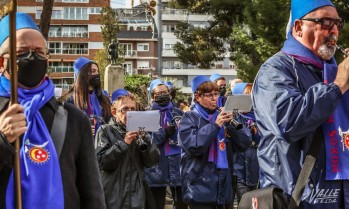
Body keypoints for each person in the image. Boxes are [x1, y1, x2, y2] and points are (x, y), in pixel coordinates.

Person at [0, 12, 105, 209]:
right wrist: (2, 140)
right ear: (1, 62)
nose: (33, 57)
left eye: (40, 52)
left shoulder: (75, 119)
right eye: (23, 52)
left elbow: (91, 192)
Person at [252, 0, 349, 208]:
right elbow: (288, 123)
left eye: (337, 24)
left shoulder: (335, 73)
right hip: (297, 198)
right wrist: (339, 84)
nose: (334, 31)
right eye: (325, 22)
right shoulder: (275, 70)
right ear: (298, 27)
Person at [178, 75, 252, 209]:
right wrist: (215, 125)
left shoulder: (223, 116)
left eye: (216, 94)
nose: (214, 98)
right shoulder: (189, 118)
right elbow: (194, 146)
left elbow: (244, 143)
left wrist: (231, 125)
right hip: (199, 187)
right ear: (197, 97)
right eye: (208, 95)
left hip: (224, 184)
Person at [95, 88, 160, 209]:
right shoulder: (105, 130)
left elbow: (152, 161)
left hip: (137, 197)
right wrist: (124, 143)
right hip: (113, 197)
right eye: (125, 109)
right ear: (114, 112)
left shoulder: (140, 131)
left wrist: (145, 139)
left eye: (133, 109)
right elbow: (103, 162)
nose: (129, 113)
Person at [145, 79, 188, 209]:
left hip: (178, 164)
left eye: (165, 92)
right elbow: (150, 141)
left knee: (181, 204)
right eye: (158, 93)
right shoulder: (147, 115)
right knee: (157, 204)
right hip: (157, 167)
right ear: (152, 96)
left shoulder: (179, 113)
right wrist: (165, 132)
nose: (162, 95)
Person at [60, 56, 112, 136]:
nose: (97, 74)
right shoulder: (70, 101)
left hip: (101, 145)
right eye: (93, 71)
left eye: (97, 71)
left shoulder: (103, 99)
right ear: (83, 74)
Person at [231, 83, 260, 204]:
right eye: (247, 96)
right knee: (243, 203)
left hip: (258, 170)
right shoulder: (233, 118)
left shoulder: (260, 116)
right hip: (239, 171)